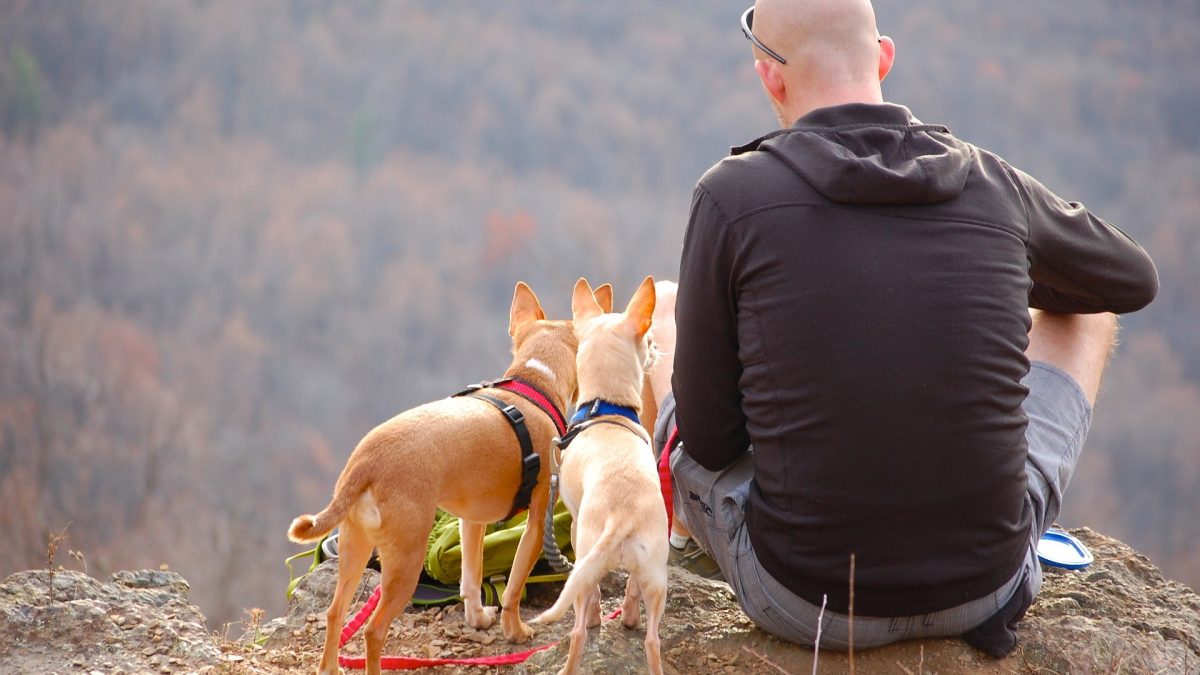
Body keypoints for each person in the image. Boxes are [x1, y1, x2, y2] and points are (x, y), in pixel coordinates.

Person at [655, 0, 1159, 656]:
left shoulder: (731, 196)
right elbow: (1129, 279)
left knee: (664, 310)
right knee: (1087, 312)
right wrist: (996, 262)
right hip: (987, 585)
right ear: (884, 57)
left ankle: (676, 547)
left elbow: (713, 441)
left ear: (769, 77)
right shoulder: (990, 182)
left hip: (807, 599)